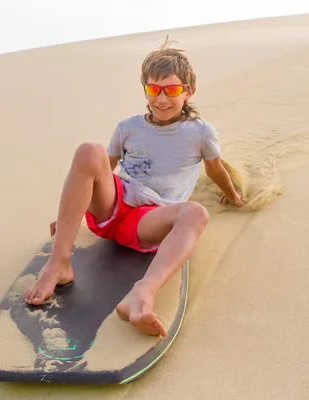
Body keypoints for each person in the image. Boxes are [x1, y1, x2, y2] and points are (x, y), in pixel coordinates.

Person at [23, 36, 245, 337]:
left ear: (188, 91)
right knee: (90, 150)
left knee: (195, 213)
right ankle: (59, 265)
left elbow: (214, 168)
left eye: (172, 90)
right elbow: (102, 168)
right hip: (112, 209)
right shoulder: (128, 128)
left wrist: (232, 195)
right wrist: (67, 219)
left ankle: (143, 293)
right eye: (153, 89)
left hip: (148, 221)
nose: (161, 99)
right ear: (145, 89)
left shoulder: (200, 133)